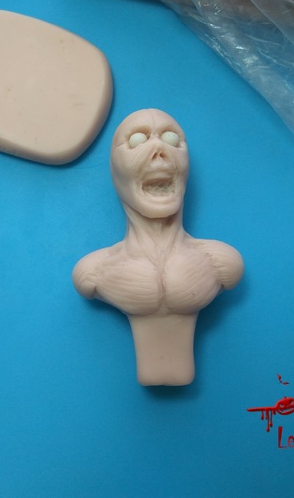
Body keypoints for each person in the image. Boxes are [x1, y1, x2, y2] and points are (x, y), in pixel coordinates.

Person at [73, 109, 244, 386]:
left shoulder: (221, 263)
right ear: (115, 171)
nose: (159, 149)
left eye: (171, 138)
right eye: (137, 140)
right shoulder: (93, 272)